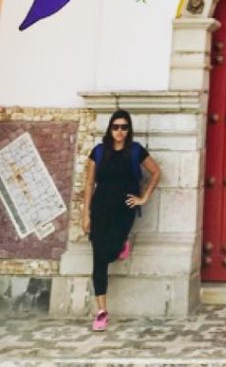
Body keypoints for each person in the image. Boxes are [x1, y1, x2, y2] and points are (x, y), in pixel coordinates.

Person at [82, 110, 161, 331]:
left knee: (111, 251)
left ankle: (121, 245)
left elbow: (156, 172)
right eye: (116, 127)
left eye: (124, 127)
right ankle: (101, 312)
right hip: (100, 208)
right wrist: (85, 213)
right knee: (99, 258)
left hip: (124, 209)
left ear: (129, 129)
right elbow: (89, 184)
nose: (119, 131)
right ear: (110, 128)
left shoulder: (136, 151)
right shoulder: (97, 152)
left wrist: (143, 198)